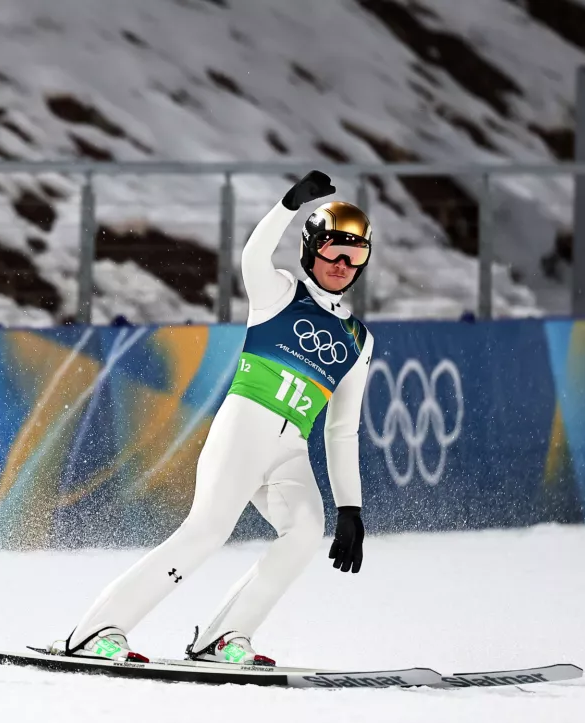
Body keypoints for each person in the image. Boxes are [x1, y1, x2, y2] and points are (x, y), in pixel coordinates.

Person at [48, 170, 375, 666]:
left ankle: (225, 639)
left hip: (290, 448)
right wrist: (288, 206)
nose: (343, 265)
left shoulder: (359, 340)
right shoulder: (280, 293)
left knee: (306, 532)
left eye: (356, 255)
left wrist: (350, 508)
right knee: (206, 532)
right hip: (244, 430)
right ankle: (93, 632)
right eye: (333, 251)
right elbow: (252, 257)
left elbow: (342, 429)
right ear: (310, 250)